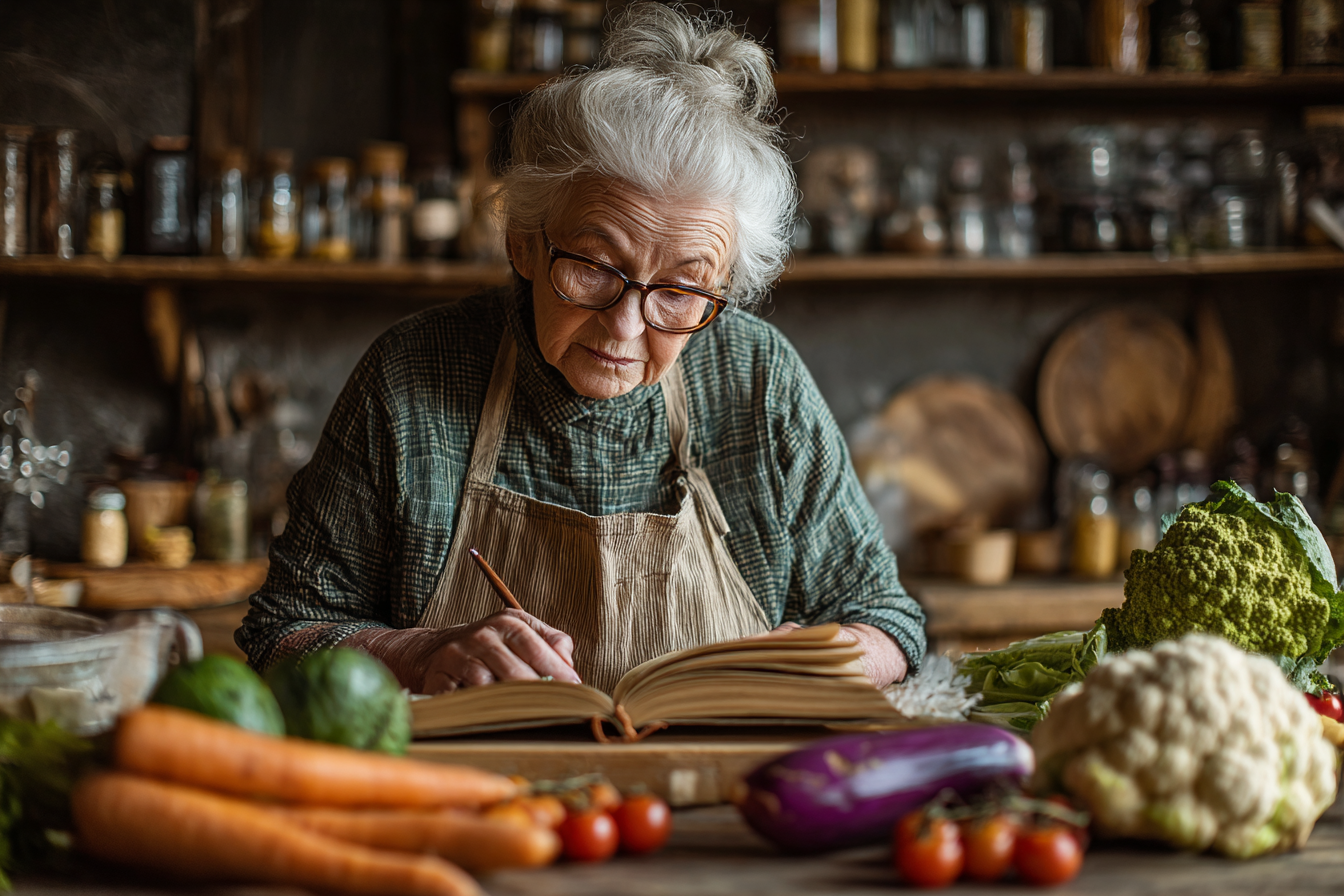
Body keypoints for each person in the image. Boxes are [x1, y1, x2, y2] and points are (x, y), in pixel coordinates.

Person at [237, 2, 926, 696]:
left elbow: (889, 621)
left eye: (681, 290)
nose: (625, 327)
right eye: (594, 268)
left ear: (722, 288)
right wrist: (415, 654)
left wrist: (827, 659)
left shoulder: (759, 378)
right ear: (524, 243)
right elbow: (282, 630)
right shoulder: (411, 374)